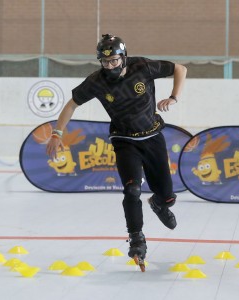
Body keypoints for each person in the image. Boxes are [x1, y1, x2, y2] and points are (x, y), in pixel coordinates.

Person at [46, 34, 187, 266]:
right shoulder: (96, 81)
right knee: (131, 190)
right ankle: (136, 238)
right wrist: (56, 133)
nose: (110, 66)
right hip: (124, 141)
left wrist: (173, 97)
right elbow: (71, 104)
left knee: (168, 196)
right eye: (105, 61)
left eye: (114, 61)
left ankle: (160, 203)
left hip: (152, 137)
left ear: (124, 57)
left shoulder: (142, 66)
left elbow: (180, 69)